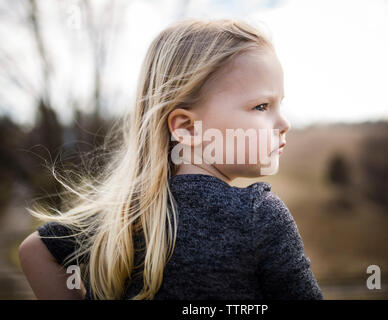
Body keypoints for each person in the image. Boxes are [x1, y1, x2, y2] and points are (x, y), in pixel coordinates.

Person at [18, 18, 323, 300]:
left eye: (279, 104)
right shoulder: (261, 216)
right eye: (261, 106)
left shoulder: (122, 216)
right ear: (188, 128)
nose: (285, 123)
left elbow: (35, 252)